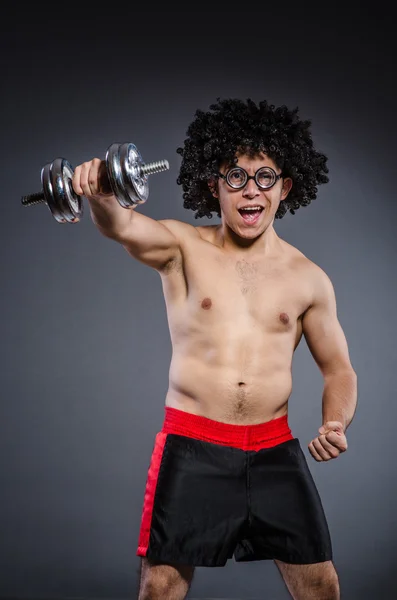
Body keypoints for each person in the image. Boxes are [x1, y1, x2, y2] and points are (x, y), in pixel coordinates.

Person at [72, 98, 358, 600]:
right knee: (160, 585)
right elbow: (121, 225)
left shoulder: (309, 278)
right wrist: (99, 193)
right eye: (236, 177)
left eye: (265, 177)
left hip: (274, 451)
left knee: (321, 586)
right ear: (214, 186)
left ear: (285, 187)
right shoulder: (182, 247)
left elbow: (339, 371)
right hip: (194, 446)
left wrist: (335, 422)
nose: (251, 190)